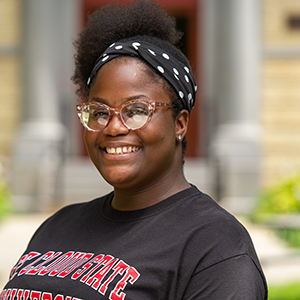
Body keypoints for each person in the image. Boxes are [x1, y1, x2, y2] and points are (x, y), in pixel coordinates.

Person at [1, 1, 267, 299]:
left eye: (137, 110)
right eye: (100, 112)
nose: (113, 127)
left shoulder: (214, 245)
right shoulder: (57, 226)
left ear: (180, 124)